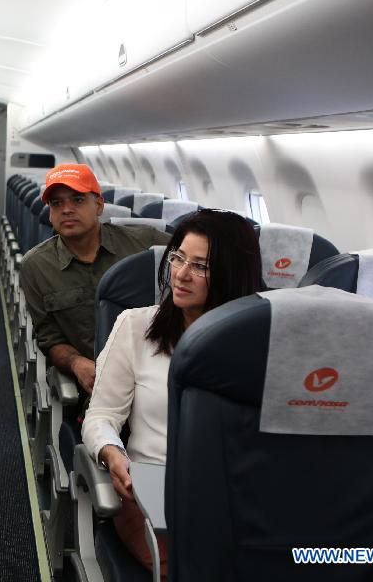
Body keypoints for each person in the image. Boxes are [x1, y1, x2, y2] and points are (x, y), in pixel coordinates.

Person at [82, 209, 263, 576]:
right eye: (178, 257)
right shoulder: (135, 326)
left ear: (232, 275)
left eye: (201, 266)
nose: (180, 274)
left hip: (235, 490)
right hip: (151, 485)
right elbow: (100, 416)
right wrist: (112, 453)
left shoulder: (260, 341)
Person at [20, 163, 170, 397]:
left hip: (159, 374)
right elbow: (50, 339)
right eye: (57, 203)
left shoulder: (146, 243)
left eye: (78, 200)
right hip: (98, 384)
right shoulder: (36, 266)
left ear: (99, 205)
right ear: (49, 212)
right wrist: (76, 363)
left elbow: (201, 261)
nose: (67, 209)